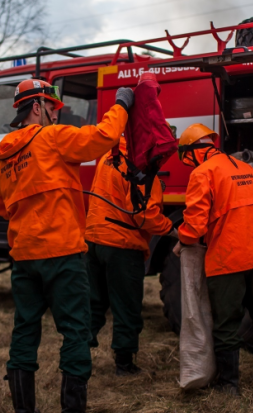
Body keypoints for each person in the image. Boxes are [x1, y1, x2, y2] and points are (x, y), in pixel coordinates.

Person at [0, 78, 134, 413]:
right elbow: (103, 137)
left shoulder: (2, 158)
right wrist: (122, 104)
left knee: (25, 330)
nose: (56, 114)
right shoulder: (52, 137)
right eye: (53, 108)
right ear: (37, 107)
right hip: (63, 255)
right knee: (76, 333)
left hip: (24, 257)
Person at [172, 123, 253, 396]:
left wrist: (182, 241)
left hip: (227, 259)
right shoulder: (244, 168)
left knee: (226, 322)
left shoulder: (203, 173)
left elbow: (195, 225)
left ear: (191, 152)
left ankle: (229, 385)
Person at [84, 137, 176, 376]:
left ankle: (77, 357)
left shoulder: (109, 156)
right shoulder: (140, 165)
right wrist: (172, 229)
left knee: (94, 305)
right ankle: (124, 365)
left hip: (94, 240)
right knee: (126, 307)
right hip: (121, 245)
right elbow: (143, 214)